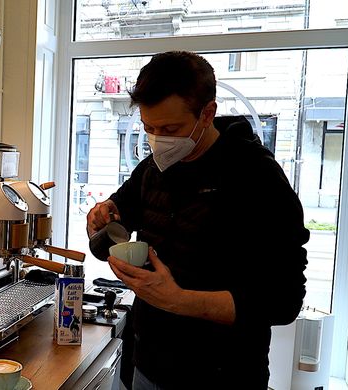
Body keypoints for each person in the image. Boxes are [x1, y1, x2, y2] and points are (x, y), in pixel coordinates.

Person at [86, 51, 309, 389]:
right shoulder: (153, 169)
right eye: (149, 128)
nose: (158, 140)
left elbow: (284, 301)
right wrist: (102, 215)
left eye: (170, 128)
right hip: (146, 364)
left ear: (207, 113)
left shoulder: (256, 177)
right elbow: (116, 224)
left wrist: (177, 299)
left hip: (222, 375)